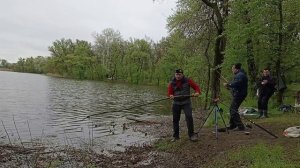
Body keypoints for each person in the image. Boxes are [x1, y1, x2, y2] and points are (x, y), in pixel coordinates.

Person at [168, 69, 201, 142]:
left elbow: (196, 87)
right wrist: (171, 95)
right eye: (176, 74)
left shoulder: (188, 80)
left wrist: (197, 92)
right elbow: (170, 92)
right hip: (176, 103)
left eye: (179, 74)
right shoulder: (172, 82)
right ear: (175, 75)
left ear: (182, 74)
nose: (178, 76)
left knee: (189, 117)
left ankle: (191, 135)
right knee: (175, 120)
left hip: (186, 102)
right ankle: (176, 136)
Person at [221, 63, 248, 131]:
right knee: (233, 109)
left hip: (240, 94)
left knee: (233, 109)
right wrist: (229, 86)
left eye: (233, 69)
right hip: (239, 94)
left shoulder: (240, 75)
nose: (232, 70)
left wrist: (228, 84)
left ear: (236, 69)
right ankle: (233, 125)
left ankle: (240, 126)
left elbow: (237, 83)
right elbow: (236, 85)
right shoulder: (239, 74)